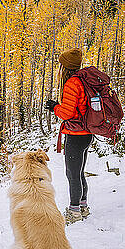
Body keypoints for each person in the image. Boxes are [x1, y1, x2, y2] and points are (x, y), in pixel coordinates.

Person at [45, 48, 93, 225]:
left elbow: (67, 113)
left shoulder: (72, 83)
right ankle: (83, 207)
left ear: (65, 67)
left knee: (72, 173)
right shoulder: (83, 79)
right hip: (86, 134)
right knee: (79, 172)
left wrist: (55, 108)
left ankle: (74, 212)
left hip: (76, 134)